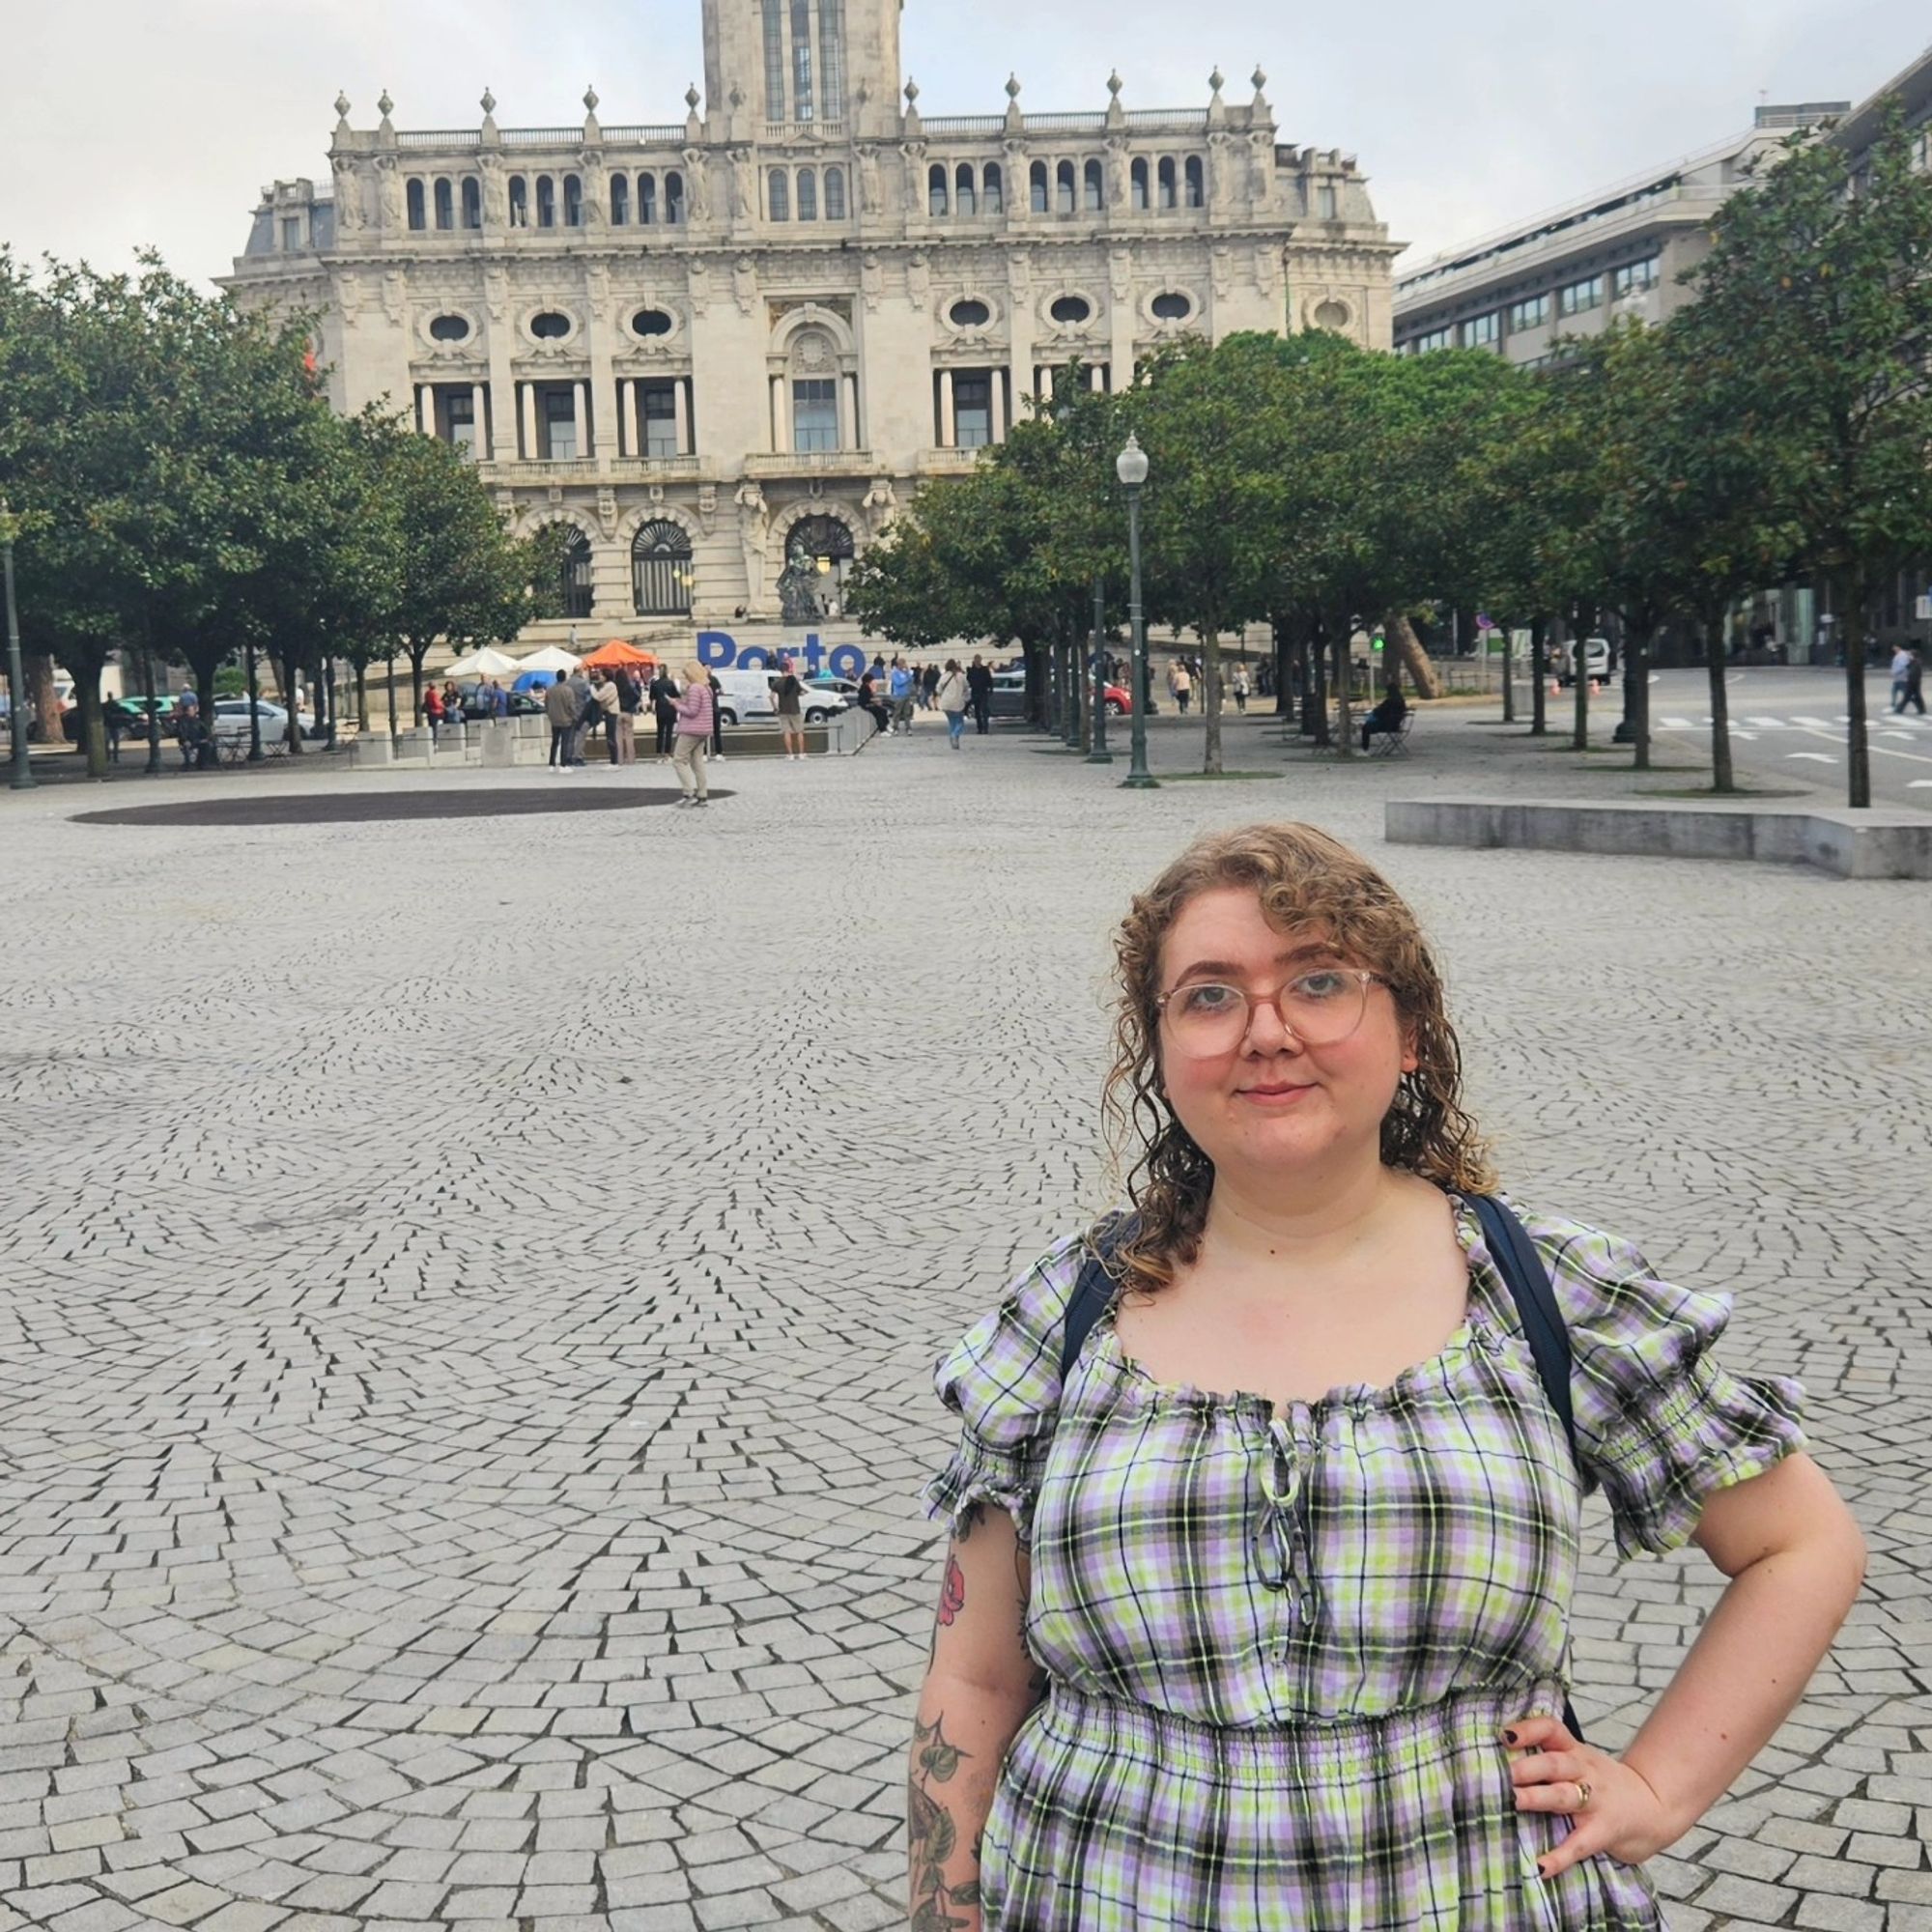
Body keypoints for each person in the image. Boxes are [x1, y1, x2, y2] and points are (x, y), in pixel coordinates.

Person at [910, 821, 1864, 1932]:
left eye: (1318, 981)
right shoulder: (1065, 1315)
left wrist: (1658, 1784)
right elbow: (972, 1683)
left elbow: (1799, 1542)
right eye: (1209, 996)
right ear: (1159, 1050)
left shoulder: (1546, 1290)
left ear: (1408, 1030)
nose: (1265, 1032)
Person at [672, 659, 714, 806]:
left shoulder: (695, 688)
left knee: (678, 760)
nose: (685, 677)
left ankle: (688, 793)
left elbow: (692, 711)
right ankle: (702, 795)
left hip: (692, 729)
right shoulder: (706, 688)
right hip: (703, 730)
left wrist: (676, 705)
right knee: (697, 763)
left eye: (686, 674)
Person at [1360, 679, 1409, 752]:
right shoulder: (1401, 701)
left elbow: (1378, 712)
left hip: (1386, 725)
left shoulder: (1389, 702)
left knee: (1365, 727)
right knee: (1367, 725)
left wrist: (1374, 712)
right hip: (1396, 725)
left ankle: (1365, 748)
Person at [543, 674, 581, 769]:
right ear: (565, 678)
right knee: (565, 742)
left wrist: (550, 714)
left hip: (554, 720)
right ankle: (563, 764)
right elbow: (571, 706)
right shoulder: (568, 690)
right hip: (566, 720)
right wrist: (575, 716)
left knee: (554, 742)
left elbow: (546, 704)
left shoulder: (550, 690)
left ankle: (551, 763)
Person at [774, 659, 808, 760]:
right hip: (795, 709)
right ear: (788, 669)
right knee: (799, 731)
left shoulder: (777, 683)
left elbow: (771, 696)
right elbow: (801, 692)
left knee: (787, 732)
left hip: (783, 710)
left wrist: (775, 707)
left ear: (780, 671)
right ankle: (801, 754)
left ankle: (790, 754)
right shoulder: (793, 681)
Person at [935, 659, 969, 749]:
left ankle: (954, 740)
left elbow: (938, 689)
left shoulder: (944, 676)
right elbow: (966, 687)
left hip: (946, 703)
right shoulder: (961, 676)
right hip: (957, 703)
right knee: (960, 722)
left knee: (952, 722)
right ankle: (955, 735)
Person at [592, 669, 622, 764]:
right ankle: (613, 761)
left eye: (601, 675)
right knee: (610, 736)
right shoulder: (609, 685)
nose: (599, 677)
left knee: (610, 737)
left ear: (605, 676)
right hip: (610, 711)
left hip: (611, 712)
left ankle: (614, 762)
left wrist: (592, 687)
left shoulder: (609, 685)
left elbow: (598, 696)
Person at [649, 666, 680, 757]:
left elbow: (652, 697)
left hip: (660, 708)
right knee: (669, 732)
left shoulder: (655, 684)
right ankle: (667, 752)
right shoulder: (671, 683)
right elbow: (677, 695)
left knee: (660, 731)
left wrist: (653, 708)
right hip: (670, 709)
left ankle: (659, 752)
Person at [614, 667, 641, 763]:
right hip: (628, 713)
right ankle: (631, 759)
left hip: (617, 713)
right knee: (629, 737)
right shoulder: (629, 686)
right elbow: (637, 696)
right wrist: (631, 705)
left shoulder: (614, 687)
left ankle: (619, 759)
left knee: (618, 737)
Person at [858, 668, 891, 738]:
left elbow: (871, 696)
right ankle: (883, 730)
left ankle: (886, 725)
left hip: (867, 704)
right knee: (879, 712)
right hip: (866, 705)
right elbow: (867, 699)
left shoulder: (866, 687)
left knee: (883, 710)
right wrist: (876, 700)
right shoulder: (864, 688)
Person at [967, 655, 994, 735]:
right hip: (975, 692)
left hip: (983, 692)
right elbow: (968, 681)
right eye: (976, 659)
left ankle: (985, 728)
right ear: (974, 660)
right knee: (977, 711)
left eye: (979, 659)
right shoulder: (971, 670)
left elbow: (989, 680)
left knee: (984, 710)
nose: (977, 661)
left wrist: (991, 689)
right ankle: (980, 728)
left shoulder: (985, 669)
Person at [891, 657, 918, 733]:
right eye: (903, 664)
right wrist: (906, 680)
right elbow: (898, 683)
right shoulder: (895, 673)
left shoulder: (904, 672)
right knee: (897, 712)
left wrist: (907, 671)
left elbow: (911, 679)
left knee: (907, 713)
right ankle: (895, 727)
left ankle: (908, 728)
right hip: (899, 695)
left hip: (906, 695)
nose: (904, 665)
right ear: (899, 664)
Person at [708, 668, 726, 762]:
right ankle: (719, 753)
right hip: (714, 708)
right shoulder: (714, 679)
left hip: (706, 710)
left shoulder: (699, 680)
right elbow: (721, 691)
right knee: (717, 732)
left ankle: (704, 754)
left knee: (703, 733)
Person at [1891, 645, 1916, 714]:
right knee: (1894, 690)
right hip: (1898, 677)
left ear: (1899, 647)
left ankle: (1912, 700)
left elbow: (1902, 666)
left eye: (1895, 647)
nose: (1894, 649)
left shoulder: (1902, 655)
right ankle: (1893, 703)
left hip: (1900, 677)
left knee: (1903, 692)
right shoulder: (1899, 655)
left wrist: (1895, 672)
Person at [1905, 646, 1926, 717]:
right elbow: (1907, 667)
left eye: (1910, 655)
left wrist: (1912, 682)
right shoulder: (1913, 662)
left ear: (1913, 655)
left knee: (1916, 697)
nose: (1908, 656)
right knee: (1916, 697)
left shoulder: (1916, 663)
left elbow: (1914, 674)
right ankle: (1921, 710)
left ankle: (1922, 710)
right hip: (1913, 683)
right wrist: (1909, 660)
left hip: (1914, 683)